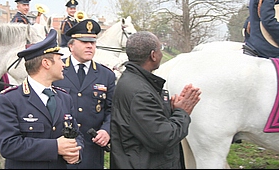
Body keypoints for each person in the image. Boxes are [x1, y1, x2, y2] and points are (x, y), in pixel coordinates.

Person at [110, 31, 202, 169]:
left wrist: (170, 110)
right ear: (153, 55)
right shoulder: (139, 91)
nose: (161, 53)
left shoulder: (136, 81)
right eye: (160, 49)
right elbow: (163, 139)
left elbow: (145, 124)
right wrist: (182, 113)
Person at [0, 29, 84, 169]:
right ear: (46, 63)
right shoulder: (9, 100)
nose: (64, 64)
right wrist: (55, 147)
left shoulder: (64, 98)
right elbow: (8, 145)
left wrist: (76, 152)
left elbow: (76, 135)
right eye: (60, 59)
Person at [53, 19, 116, 169]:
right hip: (62, 148)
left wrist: (106, 130)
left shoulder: (106, 75)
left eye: (92, 43)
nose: (89, 46)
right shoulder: (56, 69)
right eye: (83, 42)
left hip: (92, 149)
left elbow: (112, 110)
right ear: (70, 46)